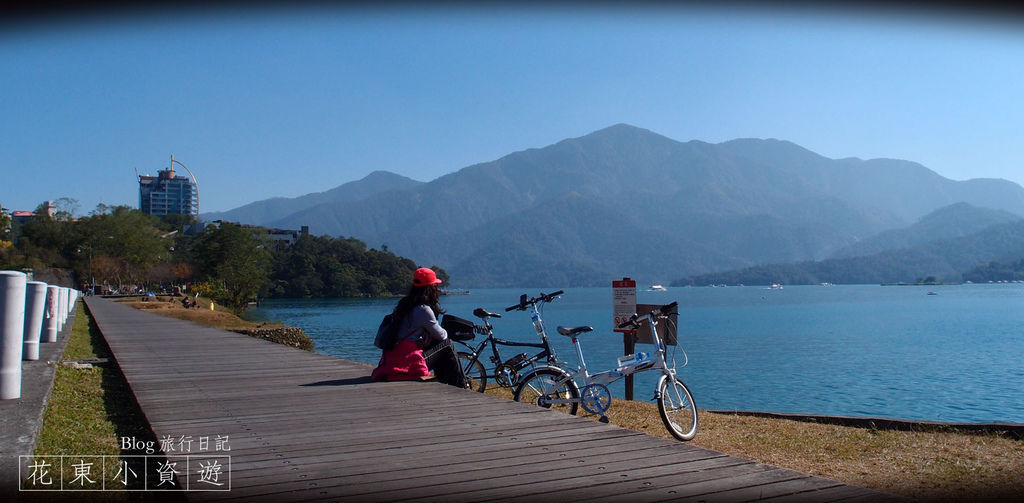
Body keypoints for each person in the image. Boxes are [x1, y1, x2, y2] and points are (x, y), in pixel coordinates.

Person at [371, 267, 468, 388]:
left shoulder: (404, 304)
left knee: (439, 347)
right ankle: (461, 386)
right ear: (430, 288)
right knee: (447, 344)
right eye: (435, 286)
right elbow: (441, 335)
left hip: (392, 360)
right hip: (408, 362)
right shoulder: (423, 310)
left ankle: (447, 382)